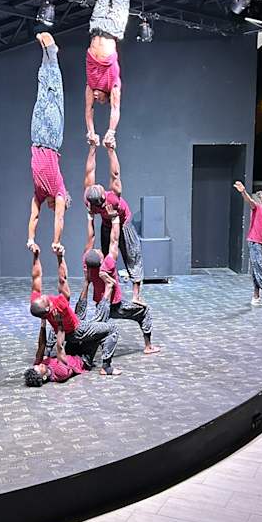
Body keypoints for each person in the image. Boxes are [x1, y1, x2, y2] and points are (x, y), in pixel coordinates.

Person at [26, 244, 121, 385]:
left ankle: (87, 282)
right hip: (80, 347)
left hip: (70, 332)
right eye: (39, 368)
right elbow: (60, 350)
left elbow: (36, 278)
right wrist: (60, 257)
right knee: (109, 327)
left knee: (78, 313)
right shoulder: (60, 374)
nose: (44, 296)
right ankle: (106, 367)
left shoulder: (37, 304)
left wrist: (36, 257)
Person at [81, 216, 160, 354]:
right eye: (99, 252)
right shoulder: (108, 264)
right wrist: (115, 219)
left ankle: (87, 355)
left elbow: (90, 237)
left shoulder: (87, 262)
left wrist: (89, 216)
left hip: (101, 305)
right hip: (116, 306)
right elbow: (114, 240)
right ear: (101, 260)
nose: (99, 250)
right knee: (144, 312)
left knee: (98, 328)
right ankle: (148, 346)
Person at [85, 0, 131, 150]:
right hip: (113, 29)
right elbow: (115, 109)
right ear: (106, 97)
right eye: (99, 99)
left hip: (96, 26)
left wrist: (91, 131)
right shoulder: (113, 86)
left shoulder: (90, 85)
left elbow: (88, 111)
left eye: (96, 100)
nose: (96, 98)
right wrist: (111, 132)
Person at [83, 140, 144, 303]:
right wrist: (111, 150)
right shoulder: (112, 199)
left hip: (122, 224)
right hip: (114, 224)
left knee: (132, 256)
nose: (98, 184)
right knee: (109, 258)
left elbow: (89, 171)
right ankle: (110, 292)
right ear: (103, 196)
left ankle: (136, 296)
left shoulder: (89, 200)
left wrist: (92, 148)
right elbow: (115, 174)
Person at [27, 32, 69, 256]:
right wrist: (56, 242)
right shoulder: (58, 190)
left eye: (51, 207)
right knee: (55, 96)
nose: (52, 208)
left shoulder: (40, 194)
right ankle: (52, 54)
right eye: (55, 206)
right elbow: (59, 218)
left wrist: (31, 239)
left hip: (36, 137)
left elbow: (34, 216)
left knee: (42, 94)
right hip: (52, 139)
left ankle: (46, 56)